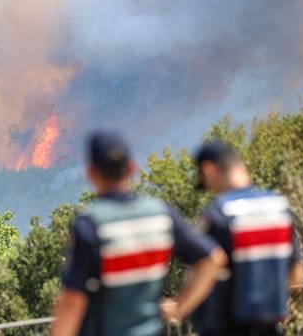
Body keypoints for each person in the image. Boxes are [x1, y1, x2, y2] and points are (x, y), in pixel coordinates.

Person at [51, 130, 226, 336]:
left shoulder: (90, 224)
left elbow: (73, 300)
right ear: (132, 168)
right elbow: (213, 259)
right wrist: (180, 307)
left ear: (92, 174)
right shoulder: (161, 214)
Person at [190, 140, 303, 336]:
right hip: (269, 326)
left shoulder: (218, 213)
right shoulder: (278, 206)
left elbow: (205, 267)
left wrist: (180, 306)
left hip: (225, 327)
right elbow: (296, 274)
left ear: (208, 170)